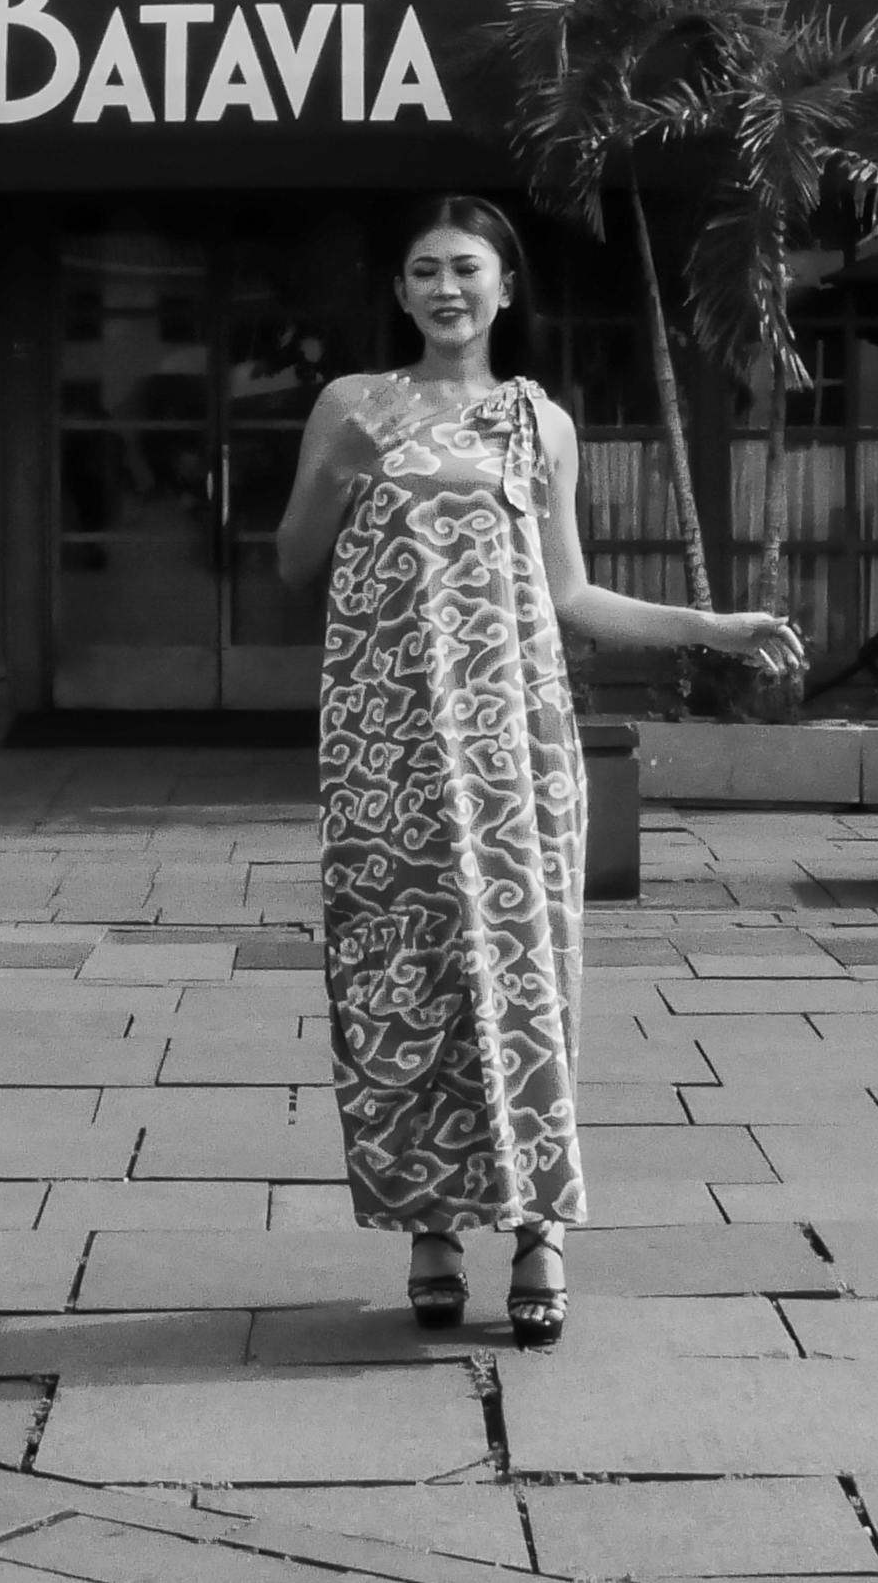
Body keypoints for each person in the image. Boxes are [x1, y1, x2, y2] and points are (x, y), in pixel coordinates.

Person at [271, 195, 800, 1351]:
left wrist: (709, 628)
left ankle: (536, 1229)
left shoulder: (539, 422)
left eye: (465, 267)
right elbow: (293, 561)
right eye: (423, 269)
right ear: (399, 290)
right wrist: (335, 474)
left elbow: (569, 594)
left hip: (515, 744)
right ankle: (429, 1225)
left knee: (524, 978)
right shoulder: (351, 405)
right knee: (397, 974)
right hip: (383, 747)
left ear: (504, 286)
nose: (444, 288)